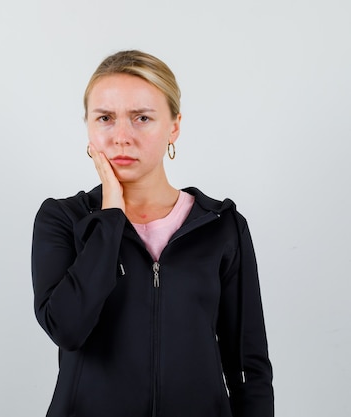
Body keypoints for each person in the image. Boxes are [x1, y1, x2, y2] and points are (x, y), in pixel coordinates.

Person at [31, 50, 274, 417]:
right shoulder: (64, 219)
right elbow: (67, 329)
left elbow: (248, 367)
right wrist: (110, 217)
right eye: (105, 118)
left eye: (142, 117)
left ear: (174, 126)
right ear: (89, 127)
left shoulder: (221, 226)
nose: (122, 136)